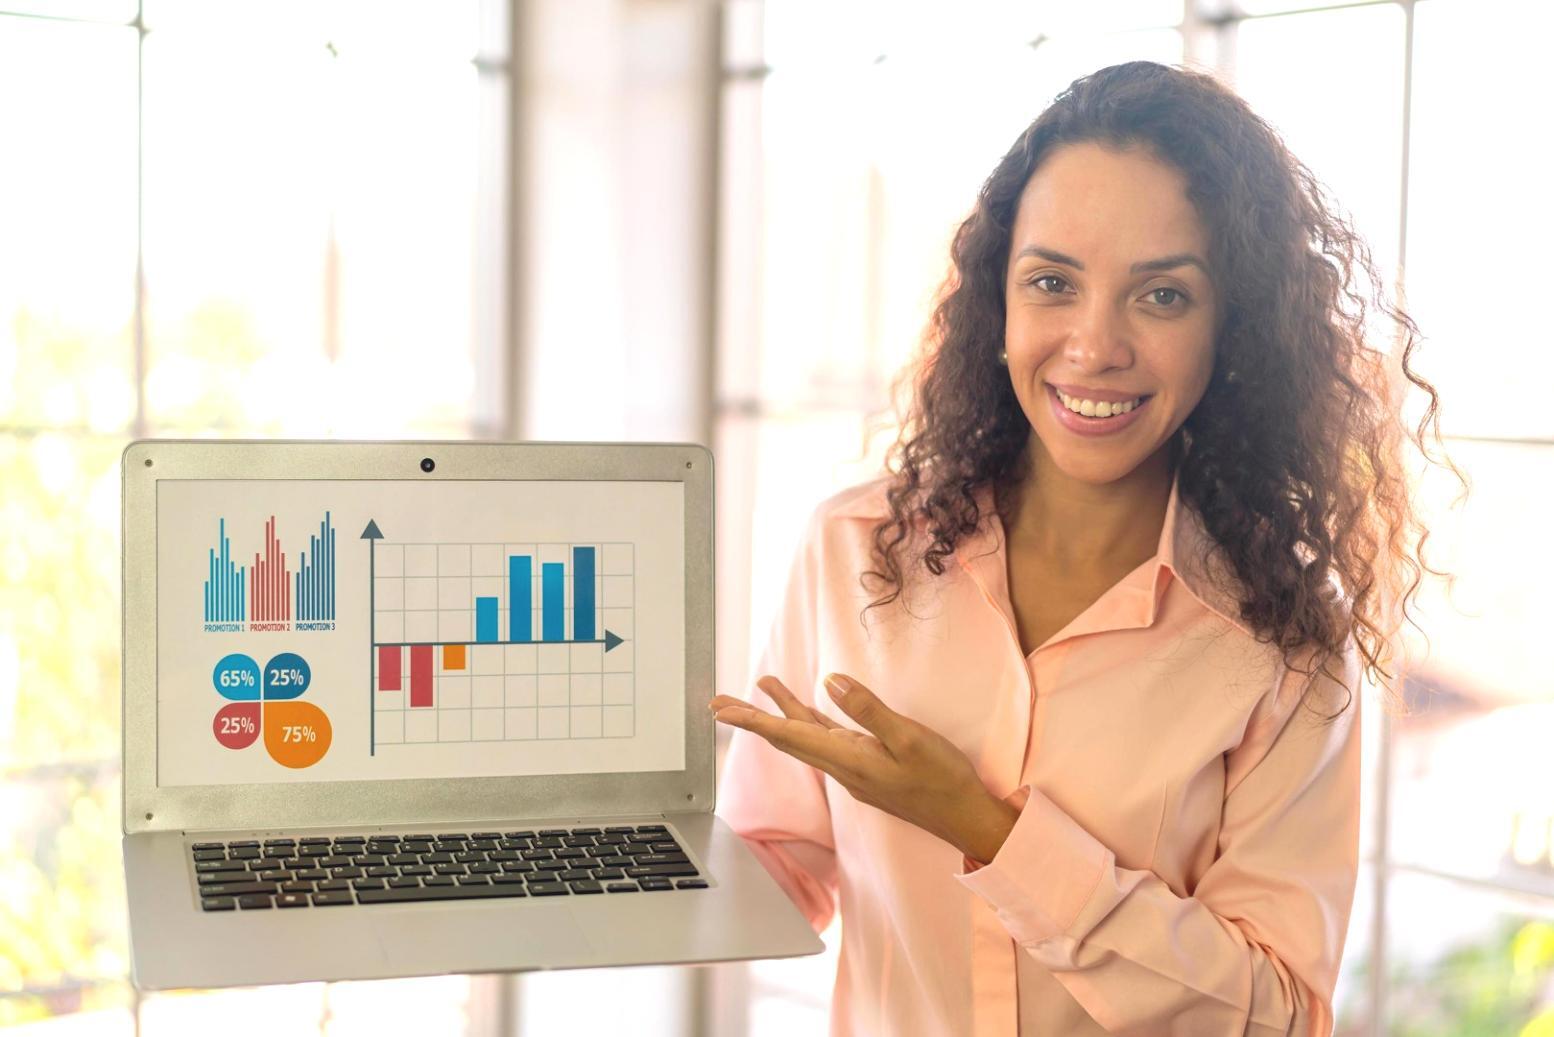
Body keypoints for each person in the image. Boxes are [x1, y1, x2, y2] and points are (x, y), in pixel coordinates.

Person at [710, 60, 1455, 1036]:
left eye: (1162, 297)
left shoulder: (1283, 640)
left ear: (1232, 326)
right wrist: (605, 838)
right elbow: (780, 862)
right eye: (1053, 282)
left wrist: (989, 830)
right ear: (998, 304)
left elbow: (1277, 1011)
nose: (1094, 345)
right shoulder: (855, 548)